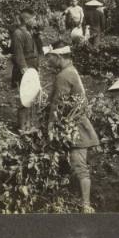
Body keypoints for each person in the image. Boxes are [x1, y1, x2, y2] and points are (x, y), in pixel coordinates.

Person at [46, 41, 100, 213]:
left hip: (75, 127)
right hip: (77, 121)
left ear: (58, 56)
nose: (48, 61)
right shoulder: (71, 70)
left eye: (51, 58)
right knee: (72, 162)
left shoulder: (63, 76)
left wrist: (50, 126)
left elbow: (57, 105)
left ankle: (86, 205)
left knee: (79, 165)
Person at [10, 10, 43, 131]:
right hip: (24, 70)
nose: (35, 21)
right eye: (34, 19)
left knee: (32, 97)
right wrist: (25, 71)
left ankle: (29, 125)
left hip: (32, 68)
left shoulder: (30, 32)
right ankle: (23, 127)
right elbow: (18, 55)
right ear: (27, 20)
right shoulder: (18, 33)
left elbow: (37, 50)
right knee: (24, 99)